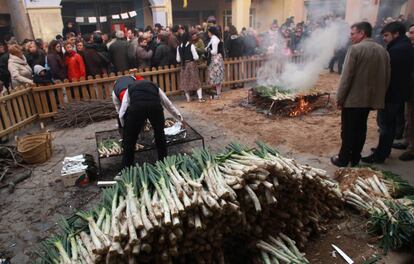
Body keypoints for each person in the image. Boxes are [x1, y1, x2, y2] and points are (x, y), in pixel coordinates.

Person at [331, 22, 391, 167]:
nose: (350, 37)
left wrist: (340, 98)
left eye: (353, 33)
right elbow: (387, 76)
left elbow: (346, 77)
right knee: (360, 129)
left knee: (348, 130)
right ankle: (355, 157)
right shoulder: (383, 50)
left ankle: (343, 158)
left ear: (362, 33)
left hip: (353, 99)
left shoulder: (355, 49)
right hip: (369, 100)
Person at [362, 22, 413, 164]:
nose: (384, 38)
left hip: (391, 93)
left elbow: (386, 74)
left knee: (385, 125)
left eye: (386, 35)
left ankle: (380, 155)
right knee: (389, 124)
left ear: (396, 34)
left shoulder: (398, 50)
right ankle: (384, 149)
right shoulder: (404, 46)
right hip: (398, 92)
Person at [115, 76, 186, 168]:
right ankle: (163, 162)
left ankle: (127, 167)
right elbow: (168, 104)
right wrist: (180, 118)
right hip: (154, 107)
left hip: (137, 108)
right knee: (160, 135)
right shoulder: (154, 86)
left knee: (130, 140)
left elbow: (122, 111)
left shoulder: (130, 88)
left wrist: (125, 127)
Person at [399, 24, 414, 161]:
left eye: (412, 33)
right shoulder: (410, 48)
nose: (410, 35)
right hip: (409, 89)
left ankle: (412, 149)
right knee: (408, 117)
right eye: (409, 32)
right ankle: (407, 141)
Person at [176, 32, 204, 102]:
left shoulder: (178, 47)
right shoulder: (191, 46)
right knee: (196, 80)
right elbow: (196, 57)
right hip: (191, 64)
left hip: (183, 65)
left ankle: (188, 98)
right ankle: (200, 98)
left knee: (185, 81)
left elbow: (178, 59)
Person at [206, 26, 225, 99]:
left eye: (208, 32)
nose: (208, 33)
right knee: (217, 77)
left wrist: (208, 50)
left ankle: (218, 94)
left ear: (211, 32)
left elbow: (214, 51)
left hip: (215, 59)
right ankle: (218, 93)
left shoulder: (214, 39)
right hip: (218, 58)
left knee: (216, 77)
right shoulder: (216, 38)